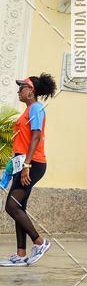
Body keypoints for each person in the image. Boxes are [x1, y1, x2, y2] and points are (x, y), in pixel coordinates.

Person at [0, 74, 56, 266]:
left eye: (22, 87)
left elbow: (36, 137)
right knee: (19, 208)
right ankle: (21, 254)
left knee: (12, 206)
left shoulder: (37, 108)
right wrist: (15, 165)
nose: (19, 90)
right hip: (24, 163)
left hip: (33, 164)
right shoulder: (29, 110)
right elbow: (22, 142)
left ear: (31, 91)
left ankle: (40, 242)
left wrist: (27, 165)